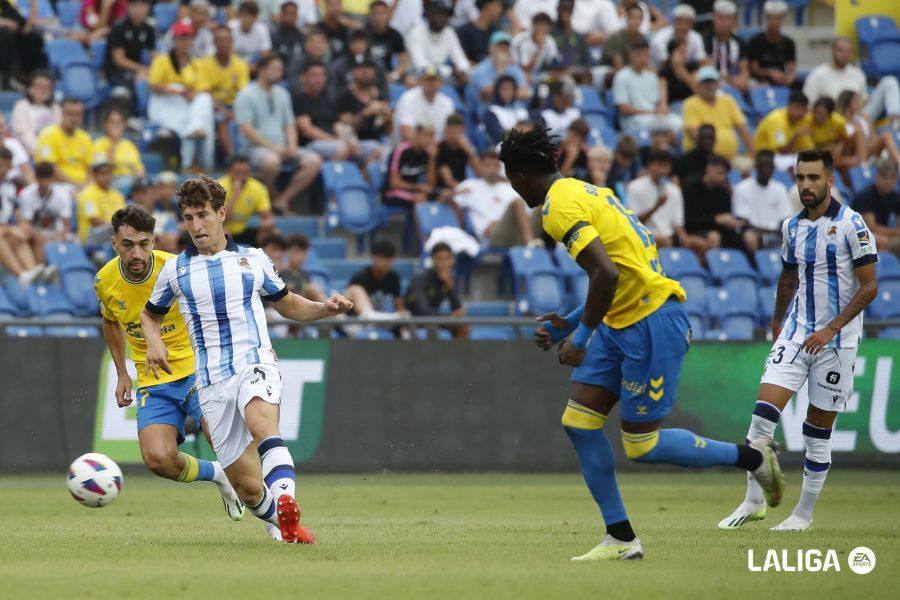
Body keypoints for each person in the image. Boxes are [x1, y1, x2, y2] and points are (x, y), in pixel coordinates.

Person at [498, 124, 783, 561]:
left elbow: (606, 274)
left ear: (517, 176)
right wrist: (568, 321)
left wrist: (580, 336)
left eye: (510, 180)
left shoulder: (557, 209)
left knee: (641, 446)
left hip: (650, 323)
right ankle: (621, 539)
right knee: (579, 423)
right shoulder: (588, 190)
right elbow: (618, 271)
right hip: (622, 318)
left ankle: (753, 458)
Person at [141, 176, 353, 543]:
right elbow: (149, 315)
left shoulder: (253, 260)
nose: (196, 226)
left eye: (203, 215)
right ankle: (288, 526)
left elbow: (287, 304)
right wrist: (154, 342)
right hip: (209, 384)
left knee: (261, 424)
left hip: (254, 362)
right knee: (248, 488)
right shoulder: (175, 270)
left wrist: (323, 308)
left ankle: (287, 499)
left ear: (221, 214)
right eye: (188, 217)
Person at [720, 149, 879, 532]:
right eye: (800, 178)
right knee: (761, 419)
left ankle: (803, 515)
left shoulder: (852, 225)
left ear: (830, 181)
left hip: (836, 344)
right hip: (794, 333)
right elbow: (788, 278)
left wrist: (831, 328)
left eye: (813, 178)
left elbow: (870, 286)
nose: (805, 185)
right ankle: (753, 501)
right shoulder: (792, 227)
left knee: (816, 434)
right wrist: (777, 322)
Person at [94, 205, 244, 521]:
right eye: (127, 245)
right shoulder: (104, 280)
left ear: (154, 241)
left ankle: (276, 519)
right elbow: (110, 322)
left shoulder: (177, 269)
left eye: (144, 244)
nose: (137, 253)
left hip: (197, 372)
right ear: (113, 243)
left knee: (226, 444)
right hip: (152, 381)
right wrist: (122, 372)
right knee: (158, 459)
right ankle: (217, 474)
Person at [234, 54, 322, 214]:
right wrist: (274, 148)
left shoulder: (283, 93)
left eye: (280, 70)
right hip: (255, 149)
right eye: (275, 69)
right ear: (262, 69)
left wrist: (293, 146)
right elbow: (247, 129)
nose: (279, 73)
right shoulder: (246, 94)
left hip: (282, 147)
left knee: (314, 161)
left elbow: (289, 124)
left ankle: (282, 199)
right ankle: (273, 197)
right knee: (271, 162)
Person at [147, 21, 216, 171]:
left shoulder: (197, 63)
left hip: (186, 105)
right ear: (174, 40)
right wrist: (176, 89)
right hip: (164, 103)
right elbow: (153, 85)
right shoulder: (163, 60)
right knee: (192, 118)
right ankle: (195, 162)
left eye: (188, 38)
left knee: (205, 100)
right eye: (181, 38)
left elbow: (203, 90)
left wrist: (190, 94)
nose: (185, 42)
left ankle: (190, 162)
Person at [804, 37, 900, 128]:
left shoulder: (858, 73)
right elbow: (809, 106)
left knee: (889, 81)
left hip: (858, 115)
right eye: (841, 50)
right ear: (832, 51)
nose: (844, 54)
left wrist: (859, 112)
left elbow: (862, 100)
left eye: (848, 51)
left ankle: (896, 125)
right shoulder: (817, 75)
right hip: (833, 119)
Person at [452, 149, 536, 248]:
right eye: (487, 165)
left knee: (546, 204)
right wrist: (455, 193)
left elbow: (526, 214)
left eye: (495, 166)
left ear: (499, 167)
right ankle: (531, 246)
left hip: (515, 232)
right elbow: (445, 199)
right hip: (490, 236)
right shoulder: (470, 186)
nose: (491, 170)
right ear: (480, 166)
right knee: (517, 203)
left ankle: (556, 246)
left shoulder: (509, 188)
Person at [196, 25, 251, 159]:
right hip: (213, 107)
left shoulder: (241, 64)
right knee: (221, 119)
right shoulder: (203, 64)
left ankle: (247, 157)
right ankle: (234, 158)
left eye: (226, 40)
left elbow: (244, 94)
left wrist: (236, 111)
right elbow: (205, 93)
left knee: (248, 117)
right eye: (219, 40)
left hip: (235, 105)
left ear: (232, 42)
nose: (223, 44)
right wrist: (224, 111)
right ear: (214, 43)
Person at [0, 148, 51, 285]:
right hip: (3, 231)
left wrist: (23, 225)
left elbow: (16, 210)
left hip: (6, 229)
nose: (4, 169)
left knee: (27, 234)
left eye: (7, 166)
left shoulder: (9, 185)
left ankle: (34, 272)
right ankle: (21, 274)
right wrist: (11, 229)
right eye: (1, 165)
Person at [682, 65, 752, 160]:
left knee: (749, 168)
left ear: (718, 84)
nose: (709, 86)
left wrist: (753, 153)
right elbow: (695, 134)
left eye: (712, 82)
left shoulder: (728, 101)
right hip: (702, 160)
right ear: (698, 86)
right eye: (705, 83)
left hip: (731, 158)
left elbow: (742, 129)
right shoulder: (690, 103)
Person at [613, 39, 679, 135]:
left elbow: (658, 102)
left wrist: (662, 108)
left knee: (679, 123)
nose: (643, 58)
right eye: (639, 55)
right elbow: (623, 108)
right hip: (633, 119)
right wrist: (650, 112)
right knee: (662, 127)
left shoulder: (652, 76)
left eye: (646, 55)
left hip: (654, 116)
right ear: (630, 55)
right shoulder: (621, 76)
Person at [732, 150, 793, 253]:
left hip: (776, 234)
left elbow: (785, 219)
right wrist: (766, 232)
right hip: (754, 233)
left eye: (769, 166)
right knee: (749, 237)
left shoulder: (780, 188)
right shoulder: (742, 188)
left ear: (774, 168)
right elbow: (742, 221)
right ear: (756, 167)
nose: (766, 170)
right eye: (763, 166)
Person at [405, 242, 468, 338]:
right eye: (440, 259)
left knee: (463, 326)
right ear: (433, 260)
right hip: (414, 321)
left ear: (452, 260)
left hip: (434, 319)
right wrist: (449, 318)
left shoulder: (448, 279)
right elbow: (423, 310)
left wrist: (451, 288)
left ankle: (458, 353)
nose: (443, 263)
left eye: (447, 258)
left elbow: (457, 309)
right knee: (432, 328)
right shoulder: (420, 279)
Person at [624, 149, 686, 248]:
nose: (662, 169)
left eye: (666, 165)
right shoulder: (635, 187)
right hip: (643, 234)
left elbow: (678, 224)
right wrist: (656, 206)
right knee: (665, 241)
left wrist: (684, 238)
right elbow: (633, 221)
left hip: (669, 236)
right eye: (659, 165)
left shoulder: (674, 190)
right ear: (650, 165)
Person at [682, 154, 741, 253]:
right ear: (709, 168)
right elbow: (690, 220)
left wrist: (730, 222)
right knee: (714, 237)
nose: (723, 178)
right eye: (719, 173)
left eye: (725, 174)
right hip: (695, 229)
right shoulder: (691, 188)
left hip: (719, 229)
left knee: (738, 237)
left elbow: (726, 215)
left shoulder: (724, 191)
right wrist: (716, 219)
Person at [336, 58, 392, 159]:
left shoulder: (379, 94)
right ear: (353, 71)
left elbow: (388, 130)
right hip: (356, 142)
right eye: (361, 68)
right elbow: (346, 127)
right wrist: (365, 113)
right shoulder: (344, 95)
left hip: (379, 140)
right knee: (381, 152)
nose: (365, 72)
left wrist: (388, 118)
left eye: (369, 68)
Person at [104, 0, 156, 103]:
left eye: (142, 5)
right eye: (135, 5)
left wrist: (155, 70)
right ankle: (133, 114)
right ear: (128, 7)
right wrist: (142, 69)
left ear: (148, 7)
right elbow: (119, 60)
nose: (138, 10)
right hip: (116, 72)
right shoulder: (118, 28)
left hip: (136, 70)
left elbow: (154, 56)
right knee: (132, 86)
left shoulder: (149, 29)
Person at [218, 155, 275, 246]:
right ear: (230, 171)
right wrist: (236, 193)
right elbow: (221, 219)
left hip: (243, 229)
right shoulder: (219, 187)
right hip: (222, 227)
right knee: (225, 234)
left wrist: (267, 223)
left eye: (245, 172)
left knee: (272, 231)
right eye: (237, 172)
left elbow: (268, 217)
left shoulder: (258, 188)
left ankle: (263, 257)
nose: (241, 176)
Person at [36, 98, 93, 187]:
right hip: (58, 185)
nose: (74, 118)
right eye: (70, 114)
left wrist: (88, 186)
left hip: (84, 185)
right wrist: (77, 185)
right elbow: (49, 168)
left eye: (78, 115)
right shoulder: (48, 135)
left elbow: (91, 167)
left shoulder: (86, 138)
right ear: (62, 114)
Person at [836, 90, 900, 166]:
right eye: (856, 100)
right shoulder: (840, 122)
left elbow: (874, 140)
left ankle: (898, 164)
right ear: (849, 104)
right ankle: (863, 167)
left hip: (868, 153)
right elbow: (840, 148)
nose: (860, 102)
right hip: (851, 155)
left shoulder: (862, 120)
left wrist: (869, 122)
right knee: (859, 133)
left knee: (886, 136)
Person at [14, 162, 74, 243]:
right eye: (41, 179)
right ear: (36, 178)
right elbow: (27, 223)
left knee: (72, 240)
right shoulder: (26, 195)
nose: (44, 183)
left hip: (57, 233)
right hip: (35, 233)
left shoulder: (63, 195)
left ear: (52, 179)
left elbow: (66, 224)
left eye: (47, 179)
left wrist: (60, 238)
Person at [344, 239, 407, 316]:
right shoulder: (361, 277)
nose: (384, 262)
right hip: (357, 320)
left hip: (381, 320)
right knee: (355, 289)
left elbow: (399, 305)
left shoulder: (394, 277)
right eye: (381, 257)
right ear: (374, 257)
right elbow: (348, 299)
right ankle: (370, 316)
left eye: (388, 258)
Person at [393, 67, 456, 141]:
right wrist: (428, 147)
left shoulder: (447, 103)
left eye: (435, 80)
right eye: (427, 80)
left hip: (438, 147)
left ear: (441, 83)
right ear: (420, 82)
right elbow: (406, 133)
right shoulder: (408, 98)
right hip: (411, 147)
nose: (431, 83)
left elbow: (452, 131)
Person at [92, 108, 146, 195]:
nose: (115, 126)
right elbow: (103, 169)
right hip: (111, 181)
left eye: (119, 123)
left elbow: (139, 169)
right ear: (106, 124)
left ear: (124, 125)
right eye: (112, 122)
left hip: (131, 181)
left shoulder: (129, 145)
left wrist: (140, 178)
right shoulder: (99, 143)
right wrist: (113, 143)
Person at [384, 123, 438, 207]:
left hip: (416, 191)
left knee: (445, 197)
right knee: (420, 200)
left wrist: (432, 159)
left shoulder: (428, 153)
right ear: (416, 134)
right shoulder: (401, 150)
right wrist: (418, 187)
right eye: (426, 135)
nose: (428, 140)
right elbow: (394, 183)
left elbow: (431, 184)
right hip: (394, 192)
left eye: (431, 137)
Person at [854, 158, 900, 255]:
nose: (888, 181)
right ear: (877, 176)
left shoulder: (894, 196)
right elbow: (872, 227)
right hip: (859, 233)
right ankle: (880, 268)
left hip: (883, 233)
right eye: (884, 177)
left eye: (892, 178)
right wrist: (896, 232)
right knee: (883, 241)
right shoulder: (865, 195)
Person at [77, 157, 127, 245]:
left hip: (114, 232)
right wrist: (117, 227)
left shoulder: (117, 194)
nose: (106, 177)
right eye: (102, 173)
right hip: (92, 235)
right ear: (94, 174)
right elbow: (94, 220)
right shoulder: (88, 193)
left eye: (109, 173)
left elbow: (124, 217)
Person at [10, 72, 61, 156]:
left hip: (54, 153)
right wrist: (41, 152)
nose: (44, 90)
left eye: (48, 87)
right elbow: (23, 134)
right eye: (40, 86)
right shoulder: (21, 106)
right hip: (31, 153)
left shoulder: (56, 108)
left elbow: (60, 132)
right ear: (30, 89)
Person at [746, 0, 796, 87]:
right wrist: (770, 73)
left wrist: (789, 78)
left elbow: (792, 68)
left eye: (778, 19)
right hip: (759, 82)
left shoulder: (789, 43)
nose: (774, 22)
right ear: (766, 18)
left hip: (781, 82)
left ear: (783, 19)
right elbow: (754, 69)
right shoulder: (755, 42)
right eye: (770, 18)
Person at [470, 31, 529, 102]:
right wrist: (500, 69)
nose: (502, 49)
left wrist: (507, 93)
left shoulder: (514, 68)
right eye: (499, 46)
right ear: (490, 48)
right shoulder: (480, 69)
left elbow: (524, 93)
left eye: (505, 46)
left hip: (513, 110)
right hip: (490, 110)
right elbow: (489, 93)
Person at [0, 0, 47, 89]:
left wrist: (33, 6)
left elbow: (23, 22)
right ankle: (8, 79)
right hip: (4, 32)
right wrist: (3, 22)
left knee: (34, 38)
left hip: (12, 29)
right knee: (6, 37)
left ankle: (33, 78)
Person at [703, 0, 747, 93]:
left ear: (734, 20)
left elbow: (744, 71)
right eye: (721, 18)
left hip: (734, 84)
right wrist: (729, 80)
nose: (725, 22)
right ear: (713, 18)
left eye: (728, 18)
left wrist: (740, 80)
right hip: (712, 84)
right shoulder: (705, 40)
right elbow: (707, 69)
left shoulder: (740, 42)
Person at [753, 91, 813, 156]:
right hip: (762, 158)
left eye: (803, 109)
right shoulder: (777, 120)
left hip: (783, 158)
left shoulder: (801, 120)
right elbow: (782, 152)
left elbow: (808, 148)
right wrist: (795, 136)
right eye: (797, 108)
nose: (800, 112)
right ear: (789, 106)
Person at [130, 176, 180, 253]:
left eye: (144, 192)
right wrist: (157, 239)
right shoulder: (125, 218)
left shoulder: (166, 216)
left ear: (154, 194)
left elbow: (171, 245)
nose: (140, 197)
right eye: (137, 193)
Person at [649, 4, 706, 69]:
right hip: (660, 71)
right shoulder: (660, 39)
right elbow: (671, 67)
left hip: (686, 70)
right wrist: (692, 79)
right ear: (673, 21)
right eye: (679, 22)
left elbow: (702, 62)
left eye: (687, 22)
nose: (683, 26)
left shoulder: (696, 37)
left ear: (692, 24)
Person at [436, 114, 480, 192]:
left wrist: (469, 151)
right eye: (452, 132)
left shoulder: (464, 148)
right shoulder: (440, 149)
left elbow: (480, 174)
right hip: (443, 190)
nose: (455, 136)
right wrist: (462, 189)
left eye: (459, 132)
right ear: (446, 130)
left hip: (462, 187)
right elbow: (448, 181)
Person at [483, 74, 530, 146]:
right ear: (497, 91)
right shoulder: (491, 111)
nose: (507, 92)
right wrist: (518, 131)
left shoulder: (521, 111)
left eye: (510, 89)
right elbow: (498, 135)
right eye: (503, 89)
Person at [366, 0, 408, 79]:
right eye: (375, 14)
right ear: (369, 15)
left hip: (387, 74)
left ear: (388, 15)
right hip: (365, 75)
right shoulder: (362, 34)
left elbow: (403, 61)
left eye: (381, 13)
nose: (378, 17)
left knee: (410, 80)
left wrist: (394, 75)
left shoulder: (395, 35)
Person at [511, 11, 558, 79]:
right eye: (540, 24)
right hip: (518, 71)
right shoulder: (523, 40)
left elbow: (554, 62)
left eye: (546, 25)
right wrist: (539, 47)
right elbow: (526, 68)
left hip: (537, 74)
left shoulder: (549, 41)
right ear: (533, 25)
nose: (543, 28)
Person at [280, 234, 327, 301]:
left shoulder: (305, 274)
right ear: (287, 252)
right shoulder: (279, 273)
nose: (301, 256)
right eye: (296, 251)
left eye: (304, 252)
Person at [229, 0, 272, 65]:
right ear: (239, 15)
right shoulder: (231, 27)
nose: (247, 19)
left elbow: (265, 53)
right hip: (235, 66)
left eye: (250, 16)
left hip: (254, 67)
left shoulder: (262, 29)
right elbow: (228, 51)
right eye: (244, 15)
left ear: (256, 17)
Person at [659, 38, 698, 105]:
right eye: (680, 52)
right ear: (671, 54)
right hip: (674, 105)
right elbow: (663, 97)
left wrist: (682, 71)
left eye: (685, 51)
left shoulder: (692, 67)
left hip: (692, 103)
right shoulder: (664, 72)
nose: (684, 55)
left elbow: (697, 90)